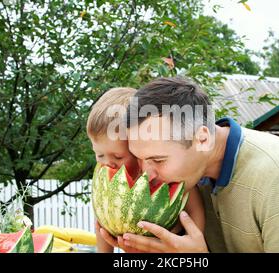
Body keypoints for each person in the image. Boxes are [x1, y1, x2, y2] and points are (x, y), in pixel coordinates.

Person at [99, 76, 279, 253]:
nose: (146, 174)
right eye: (140, 159)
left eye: (158, 160)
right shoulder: (185, 181)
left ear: (202, 138)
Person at [86, 87, 205, 253]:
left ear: (138, 151)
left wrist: (193, 241)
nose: (108, 164)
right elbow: (101, 219)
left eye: (118, 157)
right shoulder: (104, 173)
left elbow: (193, 204)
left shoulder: (164, 176)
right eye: (99, 155)